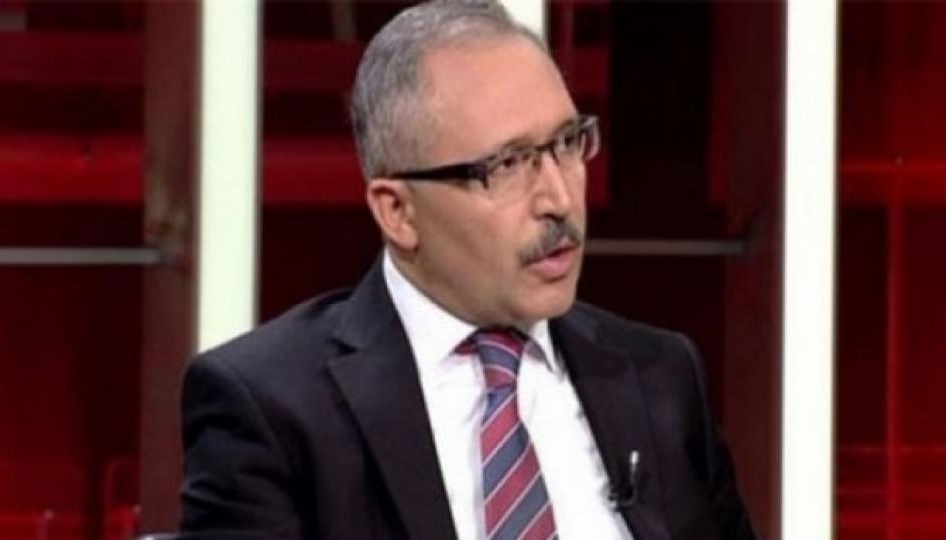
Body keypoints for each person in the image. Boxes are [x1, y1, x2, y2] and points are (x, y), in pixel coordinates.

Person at [179, 1, 757, 539]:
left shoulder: (661, 377)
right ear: (398, 211)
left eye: (566, 144)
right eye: (506, 166)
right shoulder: (271, 408)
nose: (558, 199)